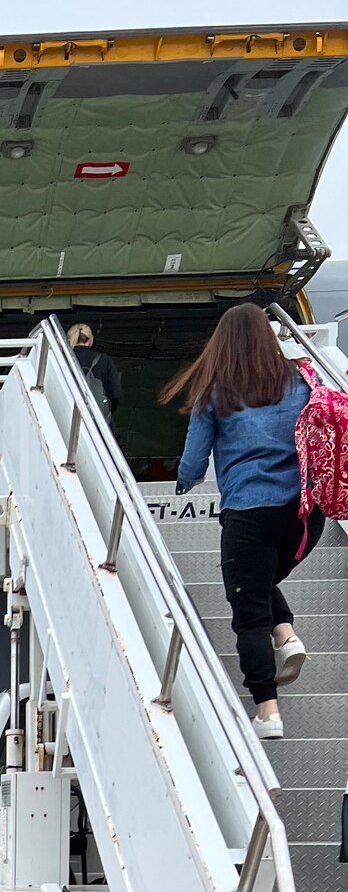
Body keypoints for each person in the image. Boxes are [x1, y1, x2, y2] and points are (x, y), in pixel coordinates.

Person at [164, 304, 324, 739]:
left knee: (249, 610)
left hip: (250, 515)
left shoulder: (216, 392)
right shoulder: (301, 380)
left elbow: (193, 464)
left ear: (223, 343)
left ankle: (267, 712)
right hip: (305, 517)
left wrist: (182, 484)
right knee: (259, 580)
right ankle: (287, 635)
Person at [67, 323, 123, 421]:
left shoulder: (63, 359)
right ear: (90, 340)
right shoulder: (104, 360)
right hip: (98, 419)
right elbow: (116, 394)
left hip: (68, 414)